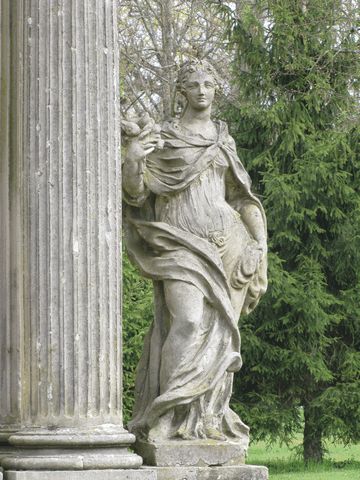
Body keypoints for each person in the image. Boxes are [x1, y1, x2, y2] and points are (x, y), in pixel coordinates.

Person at [122, 59, 267, 446]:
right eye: (193, 85)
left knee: (221, 336)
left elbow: (243, 199)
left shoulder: (224, 139)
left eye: (209, 84)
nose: (202, 90)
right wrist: (135, 157)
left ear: (216, 90)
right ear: (181, 92)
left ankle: (206, 420)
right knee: (185, 321)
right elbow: (137, 194)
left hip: (231, 247)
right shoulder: (165, 136)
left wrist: (259, 244)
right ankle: (166, 415)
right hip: (179, 242)